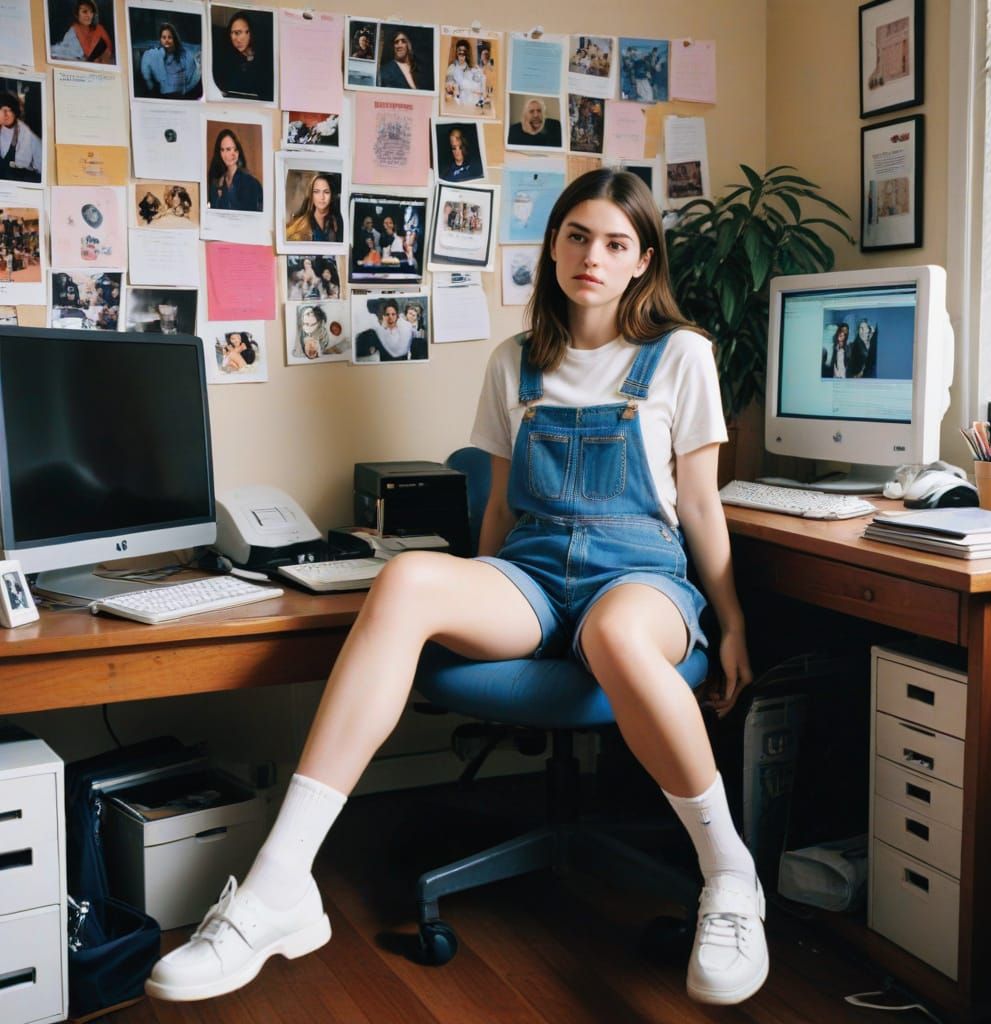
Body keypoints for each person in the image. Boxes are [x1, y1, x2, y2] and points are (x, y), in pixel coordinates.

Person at [145, 169, 767, 1008]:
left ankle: (730, 876)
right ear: (553, 245)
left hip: (639, 574)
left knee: (615, 634)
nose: (593, 256)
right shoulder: (515, 361)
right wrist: (474, 592)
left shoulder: (681, 354)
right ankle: (279, 885)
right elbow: (501, 506)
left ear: (642, 260)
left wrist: (730, 622)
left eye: (616, 243)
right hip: (532, 572)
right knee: (406, 579)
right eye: (577, 235)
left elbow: (698, 505)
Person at [217, 11, 273, 100]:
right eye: (232, 33)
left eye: (238, 33)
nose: (235, 38)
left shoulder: (267, 58)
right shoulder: (228, 59)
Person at [207, 128, 263, 212]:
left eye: (229, 149)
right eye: (222, 150)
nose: (226, 154)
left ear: (237, 152)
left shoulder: (251, 183)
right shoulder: (216, 184)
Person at [140, 22, 201, 98]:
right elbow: (146, 72)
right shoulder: (154, 55)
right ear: (160, 39)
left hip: (182, 95)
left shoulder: (185, 55)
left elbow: (191, 75)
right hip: (164, 95)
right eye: (164, 37)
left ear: (174, 39)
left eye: (169, 37)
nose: (166, 40)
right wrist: (149, 83)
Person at [285, 174, 341, 243]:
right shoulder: (302, 228)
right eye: (316, 192)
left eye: (326, 192)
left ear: (332, 195)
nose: (321, 197)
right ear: (311, 195)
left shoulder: (335, 222)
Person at [0, 92, 42, 183]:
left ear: (15, 112)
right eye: (2, 110)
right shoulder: (1, 128)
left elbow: (41, 166)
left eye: (9, 110)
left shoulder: (26, 134)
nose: (6, 114)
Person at [444, 38, 485, 108]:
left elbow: (479, 86)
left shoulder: (471, 69)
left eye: (464, 52)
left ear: (467, 53)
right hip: (458, 102)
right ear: (456, 52)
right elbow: (449, 85)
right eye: (459, 51)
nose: (461, 54)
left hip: (471, 101)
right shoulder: (452, 67)